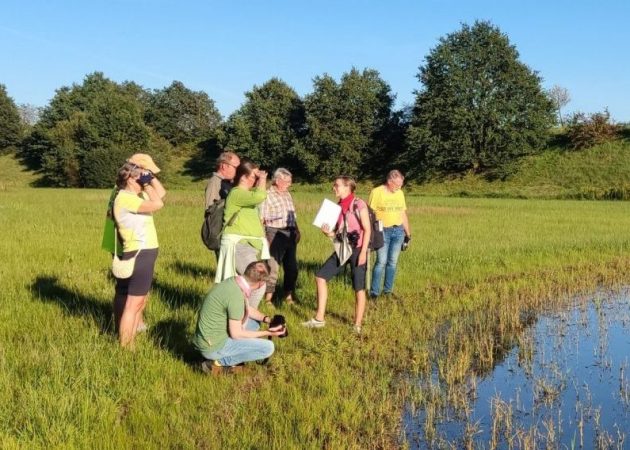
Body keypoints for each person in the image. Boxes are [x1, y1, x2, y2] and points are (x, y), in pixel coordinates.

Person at [302, 176, 371, 333]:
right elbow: (337, 234)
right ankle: (319, 319)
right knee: (320, 277)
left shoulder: (359, 204)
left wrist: (363, 254)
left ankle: (357, 325)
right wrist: (329, 233)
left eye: (337, 185)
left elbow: (367, 229)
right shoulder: (336, 207)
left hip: (358, 250)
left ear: (347, 188)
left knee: (358, 288)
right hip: (342, 248)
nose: (334, 188)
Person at [112, 154, 166, 348]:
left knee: (137, 303)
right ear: (131, 177)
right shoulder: (126, 199)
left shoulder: (136, 196)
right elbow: (158, 204)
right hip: (139, 254)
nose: (147, 178)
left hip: (142, 253)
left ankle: (129, 340)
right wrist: (148, 180)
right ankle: (127, 347)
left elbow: (161, 193)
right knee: (133, 304)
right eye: (143, 175)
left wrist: (149, 180)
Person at [194, 261, 286, 373]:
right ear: (261, 283)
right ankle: (217, 363)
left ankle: (219, 358)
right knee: (268, 347)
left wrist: (268, 319)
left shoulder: (235, 282)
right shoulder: (236, 296)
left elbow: (247, 309)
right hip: (212, 347)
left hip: (208, 338)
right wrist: (268, 333)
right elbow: (236, 334)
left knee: (254, 323)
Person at [215, 158, 269, 309]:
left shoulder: (247, 194)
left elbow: (259, 194)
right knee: (258, 284)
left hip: (248, 246)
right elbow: (260, 196)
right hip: (239, 246)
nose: (256, 180)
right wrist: (263, 178)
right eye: (254, 177)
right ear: (244, 177)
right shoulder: (237, 193)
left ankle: (237, 318)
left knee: (243, 287)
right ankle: (246, 320)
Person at [368, 170, 411, 299]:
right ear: (389, 181)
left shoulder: (400, 194)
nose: (399, 187)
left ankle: (388, 291)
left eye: (401, 185)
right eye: (397, 184)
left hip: (398, 231)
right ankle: (374, 293)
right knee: (381, 261)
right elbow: (369, 214)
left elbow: (402, 214)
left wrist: (408, 234)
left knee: (392, 262)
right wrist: (370, 234)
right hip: (382, 231)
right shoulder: (376, 192)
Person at [260, 168, 300, 306]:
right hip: (274, 233)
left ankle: (288, 296)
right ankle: (268, 299)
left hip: (290, 233)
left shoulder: (287, 194)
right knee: (273, 268)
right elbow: (261, 219)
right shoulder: (266, 195)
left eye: (290, 181)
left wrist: (297, 230)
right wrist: (264, 237)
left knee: (292, 268)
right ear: (277, 181)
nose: (289, 184)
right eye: (287, 181)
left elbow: (292, 215)